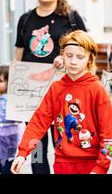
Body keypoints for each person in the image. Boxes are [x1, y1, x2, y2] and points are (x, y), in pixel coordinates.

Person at [13, 0, 86, 174]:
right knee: (36, 147)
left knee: (65, 145)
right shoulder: (26, 19)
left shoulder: (70, 18)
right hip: (33, 93)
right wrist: (14, 92)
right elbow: (18, 55)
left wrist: (66, 57)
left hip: (64, 90)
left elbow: (85, 49)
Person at [11, 30, 112, 174]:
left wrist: (101, 167)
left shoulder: (97, 90)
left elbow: (108, 133)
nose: (73, 61)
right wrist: (22, 153)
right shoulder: (56, 88)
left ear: (89, 59)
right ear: (62, 55)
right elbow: (39, 121)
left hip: (91, 163)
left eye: (80, 57)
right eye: (69, 55)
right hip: (62, 162)